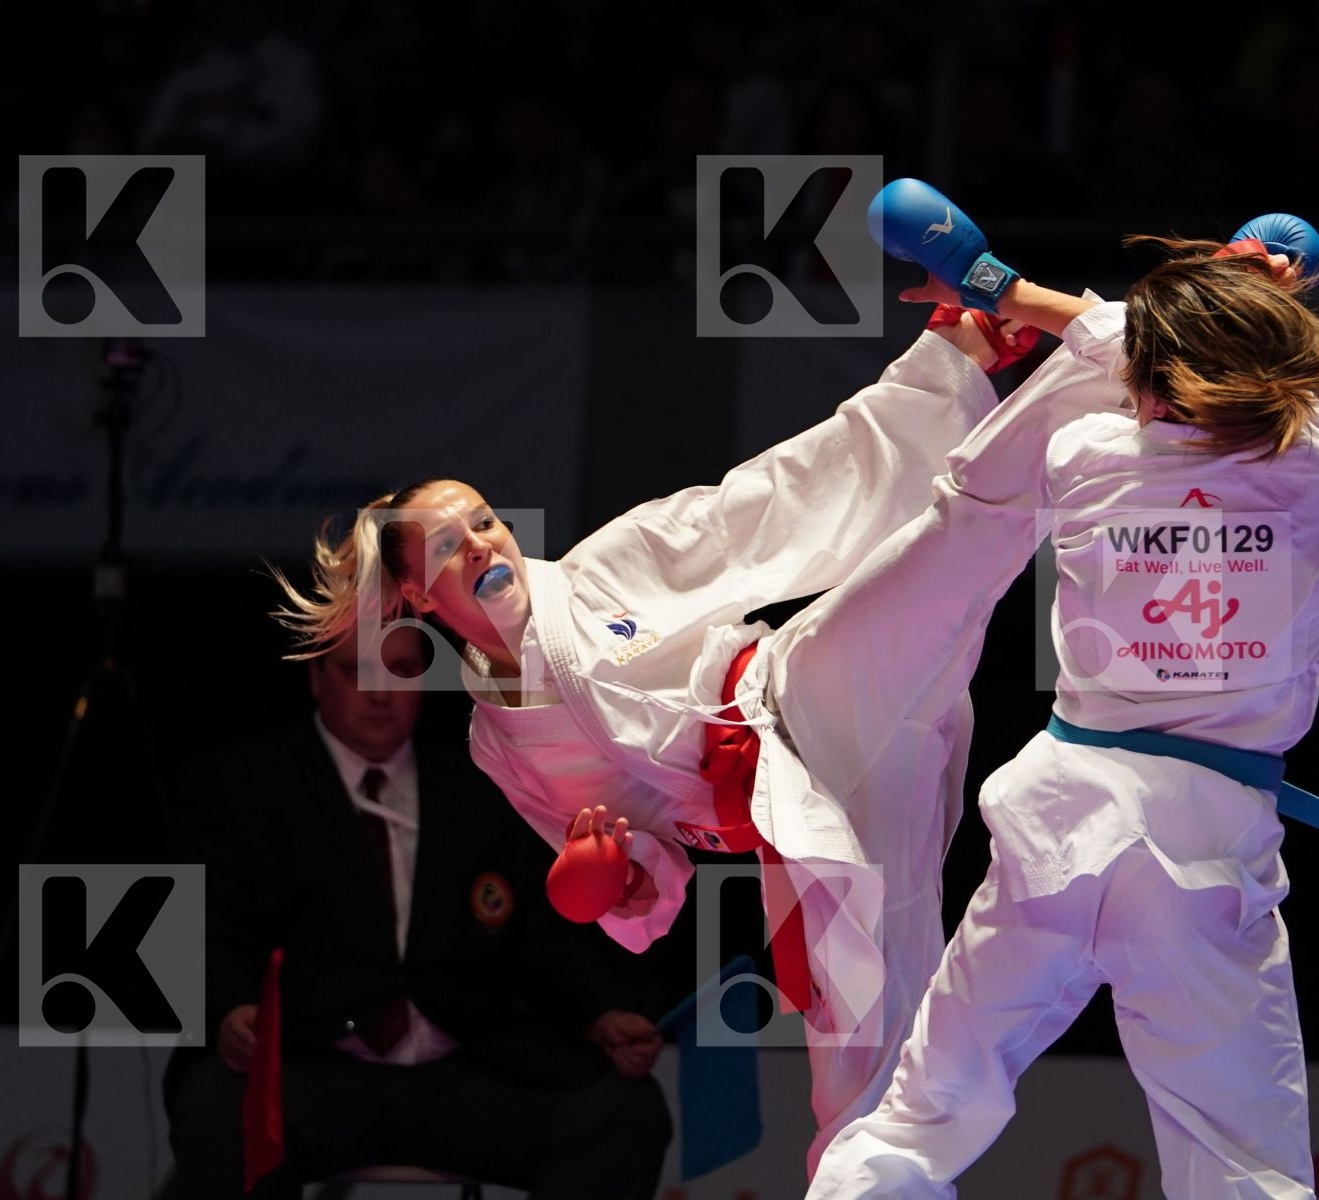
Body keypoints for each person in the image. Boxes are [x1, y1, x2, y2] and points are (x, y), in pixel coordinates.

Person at [266, 308, 1036, 1174]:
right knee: (858, 1065)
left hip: (798, 701)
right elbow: (646, 874)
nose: (482, 543)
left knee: (950, 558)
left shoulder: (600, 574)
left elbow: (769, 503)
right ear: (411, 594)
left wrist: (938, 369)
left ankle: (1071, 376)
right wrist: (610, 882)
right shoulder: (498, 746)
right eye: (449, 545)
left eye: (485, 521)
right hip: (795, 824)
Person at [803, 236, 1319, 1198]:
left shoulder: (1085, 455)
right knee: (1241, 1155)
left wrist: (999, 287)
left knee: (923, 1116)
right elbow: (1147, 352)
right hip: (1202, 847)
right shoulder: (1316, 464)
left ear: (1148, 380)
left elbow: (1116, 350)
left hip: (1060, 826)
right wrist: (1239, 293)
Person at [162, 623, 672, 1200]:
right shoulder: (245, 786)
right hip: (313, 1065)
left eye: (403, 672)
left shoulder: (483, 786)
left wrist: (599, 1013)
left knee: (625, 1112)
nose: (382, 693)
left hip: (461, 1066)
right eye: (358, 671)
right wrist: (232, 1009)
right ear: (315, 676)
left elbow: (539, 934)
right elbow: (212, 921)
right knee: (215, 1106)